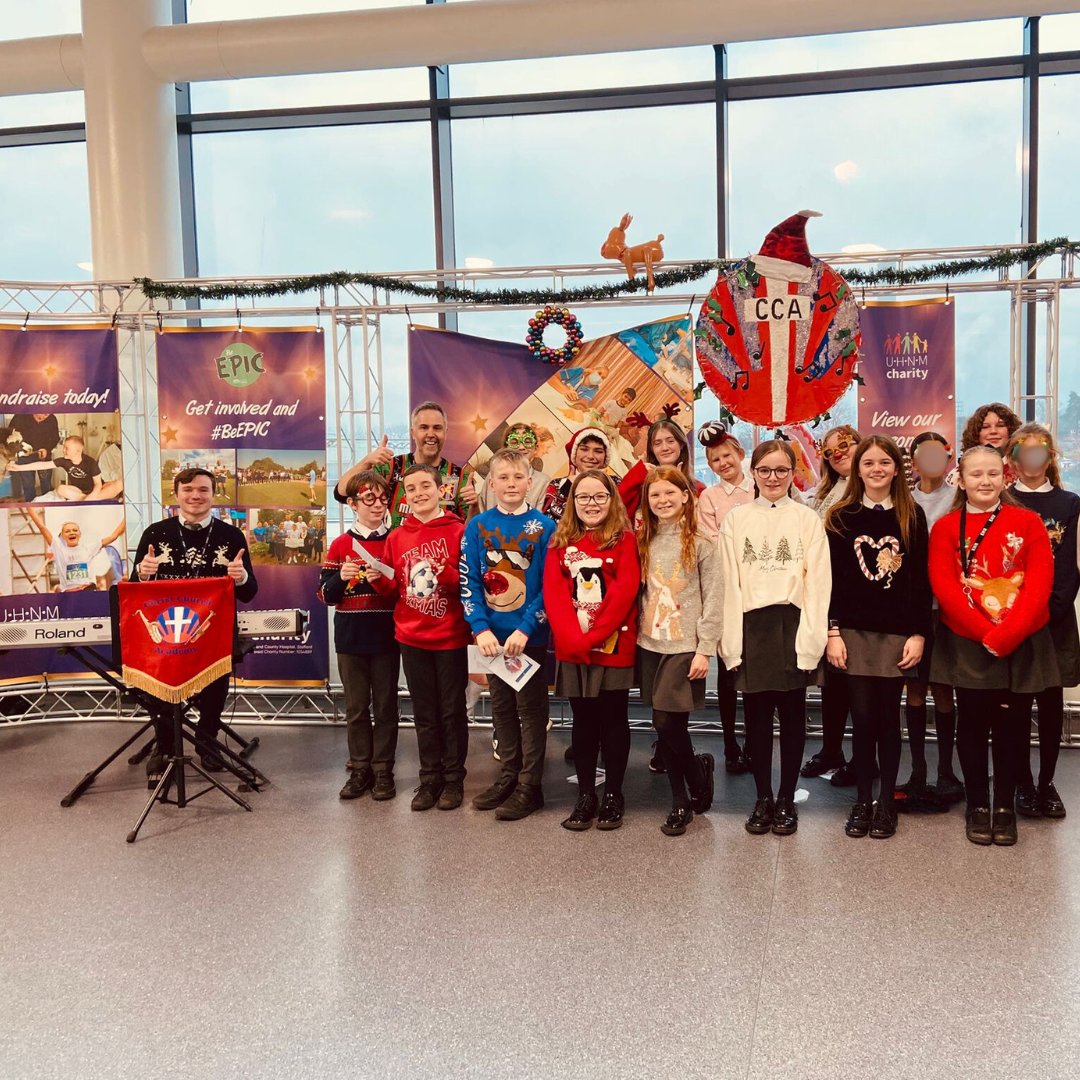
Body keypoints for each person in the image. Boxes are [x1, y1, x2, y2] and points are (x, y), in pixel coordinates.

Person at [928, 445, 1056, 846]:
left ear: (1006, 477)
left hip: (1020, 638)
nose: (985, 481)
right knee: (971, 724)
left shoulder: (1028, 521)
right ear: (960, 480)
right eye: (976, 475)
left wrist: (1007, 634)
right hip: (968, 641)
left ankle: (1004, 806)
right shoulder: (947, 527)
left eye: (992, 474)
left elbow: (1039, 586)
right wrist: (986, 634)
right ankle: (977, 804)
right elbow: (945, 589)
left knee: (1012, 727)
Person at [718, 439, 830, 837]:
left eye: (781, 470)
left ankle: (787, 797)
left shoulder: (806, 519)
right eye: (765, 470)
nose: (773, 478)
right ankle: (762, 797)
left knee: (794, 716)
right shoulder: (737, 519)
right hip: (751, 626)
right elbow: (728, 581)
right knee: (758, 719)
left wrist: (813, 638)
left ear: (792, 472)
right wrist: (730, 639)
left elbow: (818, 583)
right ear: (754, 473)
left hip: (792, 624)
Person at [824, 437, 932, 840]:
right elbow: (830, 581)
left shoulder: (912, 515)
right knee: (862, 718)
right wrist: (832, 631)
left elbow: (921, 582)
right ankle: (862, 800)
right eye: (868, 462)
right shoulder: (841, 517)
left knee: (889, 720)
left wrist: (919, 633)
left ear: (896, 468)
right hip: (851, 633)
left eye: (884, 462)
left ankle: (886, 802)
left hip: (896, 635)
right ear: (858, 469)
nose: (876, 469)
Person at [132, 467, 258, 783]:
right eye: (188, 490)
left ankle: (206, 743)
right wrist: (143, 574)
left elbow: (249, 593)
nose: (196, 496)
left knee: (215, 688)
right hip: (166, 635)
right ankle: (164, 748)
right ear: (177, 494)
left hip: (213, 635)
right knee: (158, 689)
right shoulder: (154, 533)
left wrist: (240, 577)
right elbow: (135, 590)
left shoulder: (231, 537)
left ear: (213, 494)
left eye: (203, 490)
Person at [368, 463, 471, 811]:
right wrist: (375, 577)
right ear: (405, 496)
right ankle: (429, 779)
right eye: (411, 489)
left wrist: (449, 574)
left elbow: (472, 584)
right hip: (411, 637)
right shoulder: (397, 536)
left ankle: (454, 779)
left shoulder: (459, 531)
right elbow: (391, 588)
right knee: (425, 712)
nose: (419, 493)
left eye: (425, 486)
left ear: (441, 490)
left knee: (451, 711)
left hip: (451, 636)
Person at [460, 448, 555, 820]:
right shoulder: (478, 526)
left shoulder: (544, 527)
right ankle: (509, 775)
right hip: (492, 641)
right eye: (503, 478)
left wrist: (527, 629)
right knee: (501, 708)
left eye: (518, 477)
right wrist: (480, 629)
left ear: (530, 483)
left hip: (528, 639)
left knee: (531, 711)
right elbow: (468, 581)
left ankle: (531, 785)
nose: (511, 484)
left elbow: (550, 586)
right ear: (492, 484)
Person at [543, 469, 639, 831]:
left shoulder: (624, 540)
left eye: (600, 496)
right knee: (583, 721)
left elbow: (624, 592)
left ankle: (614, 793)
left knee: (614, 718)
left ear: (611, 500)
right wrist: (575, 638)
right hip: (574, 645)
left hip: (612, 645)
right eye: (583, 497)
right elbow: (554, 594)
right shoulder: (560, 542)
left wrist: (595, 635)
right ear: (573, 502)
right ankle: (586, 795)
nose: (591, 504)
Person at [637, 466, 722, 836]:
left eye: (670, 493)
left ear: (686, 496)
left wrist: (705, 649)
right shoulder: (643, 541)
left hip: (684, 646)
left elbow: (714, 599)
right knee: (668, 726)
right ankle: (695, 773)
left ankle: (681, 800)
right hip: (649, 644)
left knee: (666, 722)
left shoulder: (702, 542)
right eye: (655, 495)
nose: (663, 500)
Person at [1006, 422, 1079, 820]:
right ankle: (1021, 783)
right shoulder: (1004, 501)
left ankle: (1047, 782)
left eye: (1040, 452)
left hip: (1054, 620)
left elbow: (1069, 566)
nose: (1032, 459)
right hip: (1015, 620)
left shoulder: (1069, 503)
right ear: (1013, 458)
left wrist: (1051, 608)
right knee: (1016, 706)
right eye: (1024, 451)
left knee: (1051, 705)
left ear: (1050, 457)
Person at [318, 471, 399, 802]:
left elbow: (402, 593)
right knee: (355, 707)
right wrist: (340, 576)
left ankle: (383, 770)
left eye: (382, 499)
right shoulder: (340, 544)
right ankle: (361, 768)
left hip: (386, 635)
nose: (377, 505)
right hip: (351, 635)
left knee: (385, 705)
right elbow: (325, 596)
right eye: (369, 498)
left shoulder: (394, 539)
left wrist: (383, 578)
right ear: (352, 504)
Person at [902, 431, 962, 804]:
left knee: (944, 688)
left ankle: (946, 770)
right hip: (914, 607)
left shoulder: (960, 499)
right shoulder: (904, 501)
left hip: (951, 609)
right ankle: (918, 770)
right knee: (915, 689)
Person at [801, 423, 860, 785]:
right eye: (831, 451)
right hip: (825, 595)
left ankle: (859, 756)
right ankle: (831, 749)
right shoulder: (823, 493)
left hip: (857, 596)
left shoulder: (871, 489)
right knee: (832, 682)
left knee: (859, 683)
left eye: (846, 447)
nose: (839, 455)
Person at [694, 420, 753, 775]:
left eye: (727, 456)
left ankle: (754, 739)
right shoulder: (709, 497)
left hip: (762, 590)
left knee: (756, 670)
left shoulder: (760, 488)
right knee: (729, 668)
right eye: (715, 460)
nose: (722, 464)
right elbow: (710, 540)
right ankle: (730, 742)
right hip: (728, 589)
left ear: (740, 454)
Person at [335, 401, 477, 527]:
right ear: (412, 433)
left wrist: (474, 505)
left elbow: (471, 530)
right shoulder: (391, 467)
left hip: (443, 554)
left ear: (445, 433)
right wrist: (366, 462)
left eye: (437, 428)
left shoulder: (459, 477)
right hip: (395, 554)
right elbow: (341, 493)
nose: (431, 433)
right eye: (423, 427)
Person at [618, 417, 705, 521]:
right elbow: (617, 508)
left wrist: (680, 483)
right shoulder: (641, 484)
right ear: (652, 449)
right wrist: (637, 473)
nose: (665, 448)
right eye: (657, 443)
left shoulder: (698, 488)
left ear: (681, 444)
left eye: (670, 441)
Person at [27, 509, 124, 592]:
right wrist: (29, 509)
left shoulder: (88, 549)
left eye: (74, 530)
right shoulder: (58, 549)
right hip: (69, 594)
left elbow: (113, 536)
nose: (71, 532)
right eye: (67, 531)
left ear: (80, 534)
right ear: (62, 536)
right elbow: (42, 527)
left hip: (88, 590)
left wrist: (126, 517)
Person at [539, 426, 615, 522]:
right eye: (584, 449)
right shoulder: (557, 485)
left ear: (605, 457)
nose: (590, 456)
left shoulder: (615, 484)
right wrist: (567, 488)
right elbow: (545, 524)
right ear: (574, 453)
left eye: (598, 451)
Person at [472, 424, 552, 513]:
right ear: (506, 448)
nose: (521, 447)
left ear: (535, 448)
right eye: (514, 442)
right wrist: (473, 505)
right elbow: (481, 512)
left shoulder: (543, 481)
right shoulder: (493, 475)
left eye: (527, 441)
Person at [2, 412, 60, 500]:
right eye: (43, 413)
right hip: (24, 457)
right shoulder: (19, 416)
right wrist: (20, 447)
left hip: (44, 457)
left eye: (47, 414)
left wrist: (47, 449)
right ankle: (31, 506)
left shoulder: (52, 419)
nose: (46, 416)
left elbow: (55, 438)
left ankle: (47, 505)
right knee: (28, 484)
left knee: (46, 483)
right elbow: (10, 437)